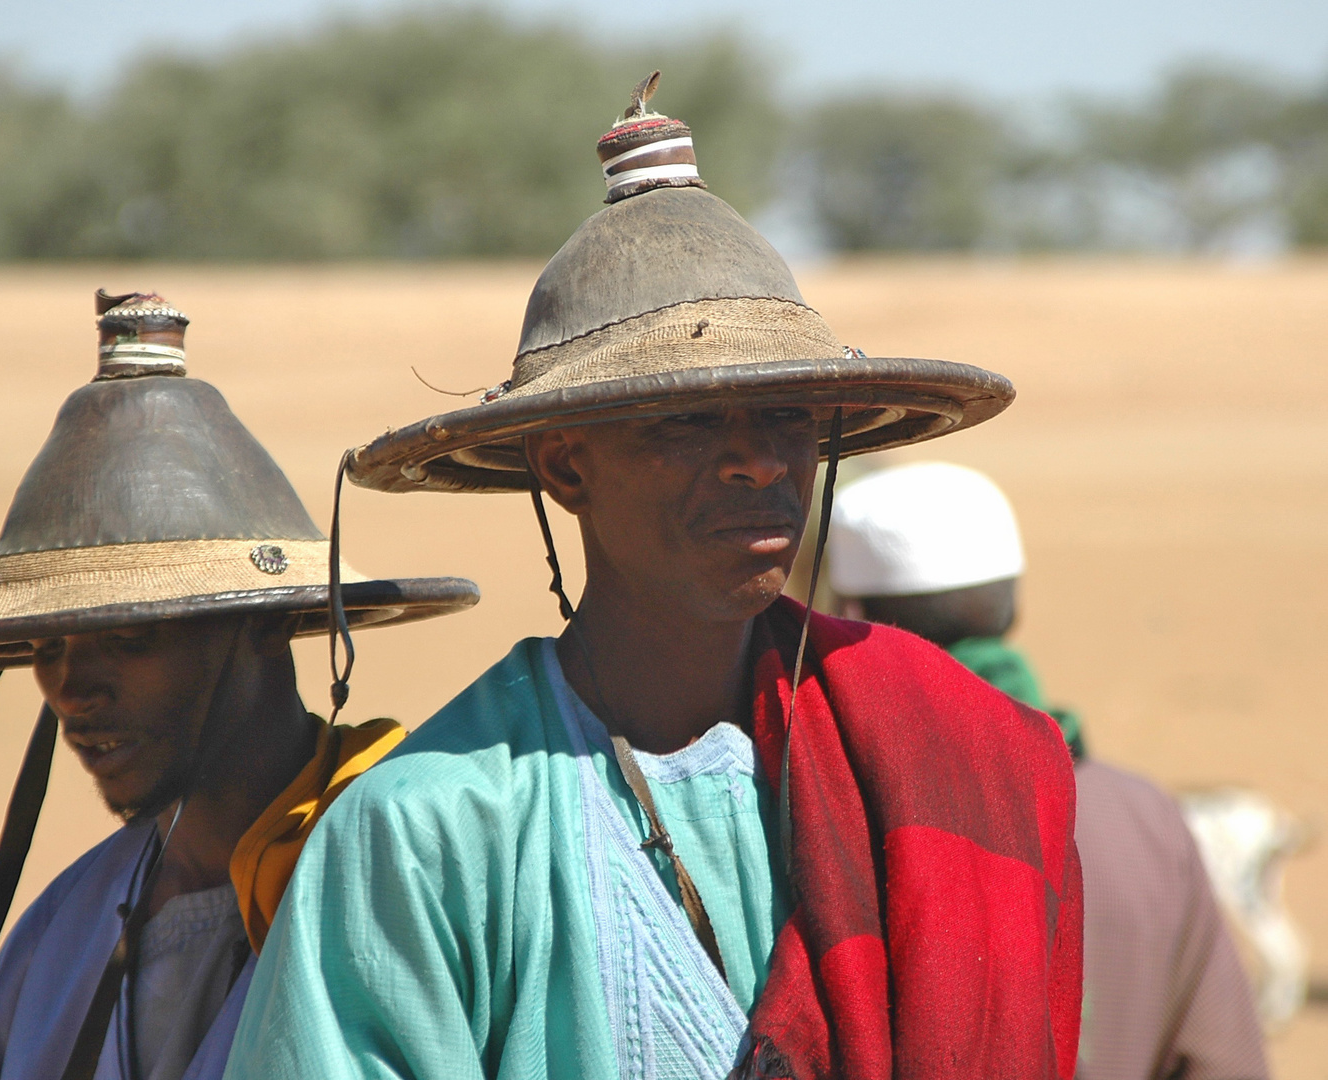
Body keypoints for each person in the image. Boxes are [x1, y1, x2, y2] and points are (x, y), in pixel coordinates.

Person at [227, 75, 1082, 1080]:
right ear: (565, 466)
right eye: (685, 419)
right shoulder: (424, 834)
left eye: (786, 415)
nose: (760, 462)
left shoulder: (945, 763)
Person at [0, 291, 478, 1080]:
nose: (70, 690)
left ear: (265, 625)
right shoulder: (51, 948)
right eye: (48, 644)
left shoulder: (423, 886)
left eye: (128, 638)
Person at [827, 460, 1269, 1080]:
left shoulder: (835, 816)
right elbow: (1226, 1061)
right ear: (1014, 608)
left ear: (847, 611)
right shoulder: (1146, 818)